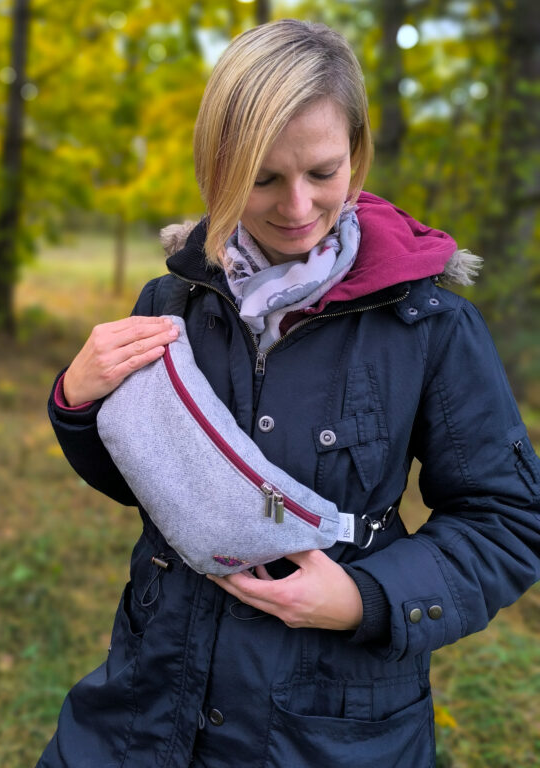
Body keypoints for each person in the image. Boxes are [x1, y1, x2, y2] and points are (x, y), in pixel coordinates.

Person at [37, 19, 540, 768]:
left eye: (323, 172)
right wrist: (77, 404)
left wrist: (365, 599)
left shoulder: (430, 325)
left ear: (357, 154)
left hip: (331, 726)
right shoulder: (173, 302)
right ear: (218, 166)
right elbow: (150, 481)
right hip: (146, 702)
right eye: (264, 178)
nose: (298, 207)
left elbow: (508, 520)